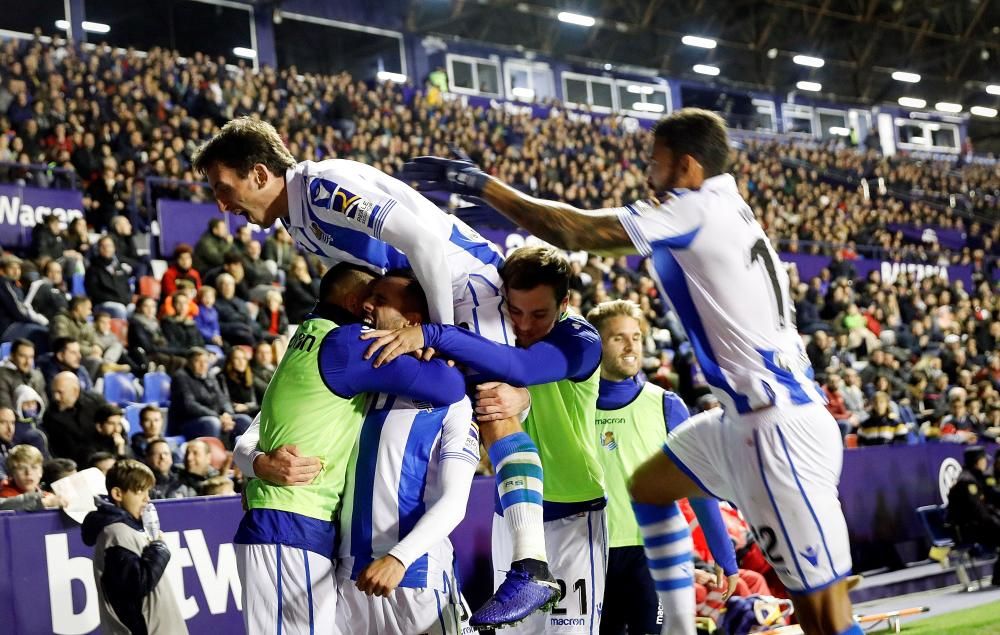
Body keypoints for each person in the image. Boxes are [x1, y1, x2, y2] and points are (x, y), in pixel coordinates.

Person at [402, 108, 861, 634]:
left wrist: (481, 185)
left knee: (827, 617)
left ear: (686, 167)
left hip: (776, 424)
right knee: (651, 485)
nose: (648, 175)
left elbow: (568, 228)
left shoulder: (695, 210)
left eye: (655, 164)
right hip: (744, 416)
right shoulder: (728, 207)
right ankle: (680, 625)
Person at [194, 116, 555, 625]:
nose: (221, 205)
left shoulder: (319, 187)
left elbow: (426, 241)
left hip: (461, 282)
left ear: (258, 173)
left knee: (492, 407)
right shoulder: (296, 219)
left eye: (223, 188)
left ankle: (530, 563)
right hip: (428, 296)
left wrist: (437, 335)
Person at [364, 247, 606, 632]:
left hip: (572, 509)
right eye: (516, 310)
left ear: (564, 304)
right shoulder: (495, 329)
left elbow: (523, 368)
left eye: (539, 314)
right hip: (511, 508)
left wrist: (433, 334)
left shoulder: (580, 338)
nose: (525, 325)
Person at [231, 264, 468, 635]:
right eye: (368, 297)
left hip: (405, 569)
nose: (370, 306)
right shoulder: (348, 347)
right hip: (305, 536)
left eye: (381, 299)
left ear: (412, 321)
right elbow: (451, 383)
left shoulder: (341, 353)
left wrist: (253, 462)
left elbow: (455, 499)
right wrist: (258, 464)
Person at [587, 300, 738, 635]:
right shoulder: (575, 404)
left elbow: (697, 485)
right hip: (591, 552)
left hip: (654, 552)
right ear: (596, 345)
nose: (631, 346)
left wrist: (723, 555)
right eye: (618, 338)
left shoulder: (666, 404)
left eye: (636, 337)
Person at [81, 459, 187, 634]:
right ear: (117, 494)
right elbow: (137, 584)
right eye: (140, 492)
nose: (147, 498)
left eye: (148, 491)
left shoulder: (127, 529)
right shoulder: (116, 534)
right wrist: (159, 548)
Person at [167, 347, 251, 443]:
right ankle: (211, 455)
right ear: (188, 362)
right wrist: (217, 416)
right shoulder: (180, 377)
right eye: (198, 361)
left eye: (205, 361)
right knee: (213, 423)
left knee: (243, 420)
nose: (203, 365)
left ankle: (241, 455)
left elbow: (222, 399)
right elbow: (189, 405)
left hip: (215, 416)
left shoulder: (209, 376)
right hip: (187, 422)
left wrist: (228, 414)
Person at [947, 446, 1000, 587]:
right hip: (969, 530)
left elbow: (993, 497)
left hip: (981, 526)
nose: (986, 463)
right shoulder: (967, 481)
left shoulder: (980, 477)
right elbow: (979, 513)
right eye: (983, 460)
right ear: (978, 461)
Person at [42, 371, 108, 465]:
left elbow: (114, 422)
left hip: (106, 454)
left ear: (75, 391)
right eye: (53, 392)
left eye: (60, 392)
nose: (56, 397)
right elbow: (63, 451)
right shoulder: (50, 416)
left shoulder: (96, 401)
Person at [0, 444, 67, 511]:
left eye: (34, 467)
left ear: (41, 472)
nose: (29, 473)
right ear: (11, 474)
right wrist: (44, 503)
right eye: (21, 468)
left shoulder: (48, 496)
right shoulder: (5, 496)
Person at [0, 338, 47, 411]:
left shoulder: (37, 375)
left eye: (31, 357)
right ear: (12, 356)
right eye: (23, 356)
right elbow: (5, 407)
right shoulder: (2, 375)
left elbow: (45, 404)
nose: (28, 362)